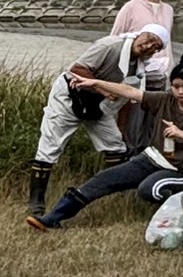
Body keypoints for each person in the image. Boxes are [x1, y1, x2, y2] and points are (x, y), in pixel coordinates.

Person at [27, 59, 183, 230]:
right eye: (176, 86)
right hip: (151, 159)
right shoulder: (165, 99)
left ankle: (176, 215)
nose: (180, 91)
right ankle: (53, 218)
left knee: (149, 189)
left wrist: (181, 134)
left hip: (180, 170)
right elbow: (131, 92)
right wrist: (96, 83)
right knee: (102, 180)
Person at [26, 26, 168, 218]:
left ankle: (111, 192)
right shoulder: (110, 46)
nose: (148, 46)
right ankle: (36, 203)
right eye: (149, 39)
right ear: (139, 34)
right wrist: (101, 89)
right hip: (70, 96)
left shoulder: (139, 68)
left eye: (155, 46)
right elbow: (77, 69)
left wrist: (122, 125)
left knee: (116, 146)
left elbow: (126, 96)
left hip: (100, 106)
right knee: (50, 146)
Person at [110, 0, 176, 85]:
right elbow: (114, 38)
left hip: (164, 71)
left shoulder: (168, 9)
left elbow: (168, 43)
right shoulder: (131, 7)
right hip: (137, 70)